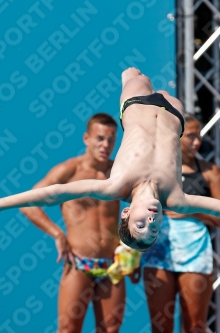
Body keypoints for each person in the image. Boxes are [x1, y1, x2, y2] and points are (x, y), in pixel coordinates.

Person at [0, 68, 220, 271]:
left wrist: (0, 203)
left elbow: (53, 194)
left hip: (136, 104)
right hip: (173, 113)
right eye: (154, 226)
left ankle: (130, 73)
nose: (151, 219)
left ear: (125, 215)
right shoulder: (176, 198)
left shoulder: (113, 186)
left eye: (141, 223)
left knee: (136, 75)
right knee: (168, 92)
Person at [18, 113, 136, 333]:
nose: (106, 145)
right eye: (100, 138)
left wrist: (134, 249)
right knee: (68, 329)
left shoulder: (118, 172)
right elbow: (28, 204)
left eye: (111, 139)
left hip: (112, 264)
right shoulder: (70, 170)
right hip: (79, 263)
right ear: (86, 138)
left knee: (111, 329)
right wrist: (57, 234)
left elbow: (142, 205)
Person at [141, 114, 220, 332]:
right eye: (191, 136)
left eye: (199, 136)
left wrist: (193, 213)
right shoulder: (154, 170)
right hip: (158, 253)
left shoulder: (210, 172)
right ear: (175, 137)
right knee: (161, 326)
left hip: (195, 254)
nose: (197, 142)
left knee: (195, 326)